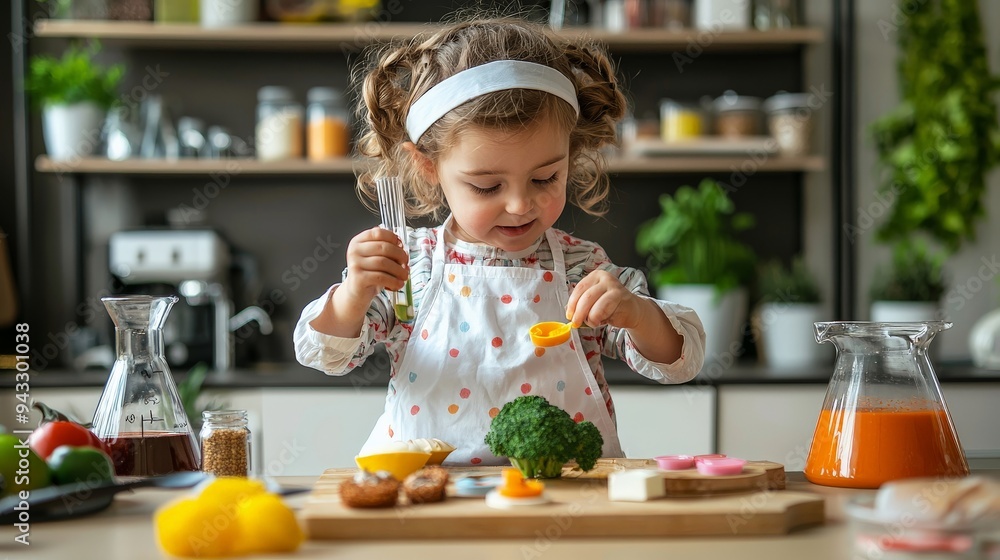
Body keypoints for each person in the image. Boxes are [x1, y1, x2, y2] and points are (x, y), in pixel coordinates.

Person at [294, 18, 705, 465]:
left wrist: (638, 313)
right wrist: (354, 294)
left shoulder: (579, 265)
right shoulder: (411, 265)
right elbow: (326, 354)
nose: (519, 204)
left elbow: (678, 362)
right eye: (488, 186)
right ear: (429, 166)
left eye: (546, 177)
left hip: (567, 497)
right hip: (435, 497)